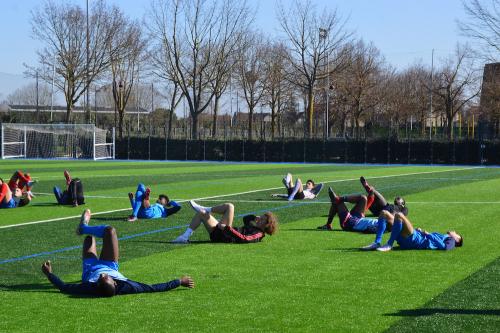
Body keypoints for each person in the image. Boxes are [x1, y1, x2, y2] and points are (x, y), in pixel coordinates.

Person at [41, 209, 195, 297]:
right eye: (105, 278)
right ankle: (84, 228)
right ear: (115, 282)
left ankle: (85, 229)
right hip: (110, 264)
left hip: (90, 268)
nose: (102, 276)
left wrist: (49, 274)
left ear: (96, 285)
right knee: (110, 231)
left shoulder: (89, 287)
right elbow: (154, 288)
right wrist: (179, 282)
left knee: (89, 239)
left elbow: (64, 287)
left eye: (100, 279)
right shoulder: (128, 287)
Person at [172, 200, 278, 244]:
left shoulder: (258, 234)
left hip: (226, 236)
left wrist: (227, 228)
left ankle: (206, 208)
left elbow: (245, 239)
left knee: (230, 206)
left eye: (263, 219)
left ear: (266, 225)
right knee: (201, 213)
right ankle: (184, 237)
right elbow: (246, 219)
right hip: (221, 234)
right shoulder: (254, 227)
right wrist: (254, 218)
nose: (260, 220)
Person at [361, 211, 463, 251]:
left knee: (399, 215)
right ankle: (377, 242)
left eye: (456, 234)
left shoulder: (452, 241)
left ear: (457, 239)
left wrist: (427, 234)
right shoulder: (446, 237)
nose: (454, 231)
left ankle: (389, 244)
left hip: (416, 240)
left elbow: (444, 247)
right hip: (413, 238)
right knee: (384, 213)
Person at [317, 187, 384, 232]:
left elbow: (368, 230)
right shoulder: (385, 223)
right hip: (359, 218)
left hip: (351, 223)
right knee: (363, 198)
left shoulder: (382, 228)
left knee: (336, 202)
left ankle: (328, 224)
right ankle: (339, 199)